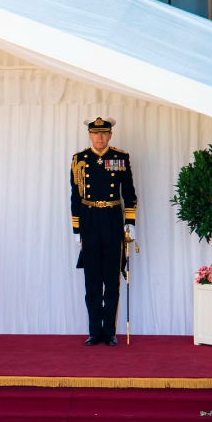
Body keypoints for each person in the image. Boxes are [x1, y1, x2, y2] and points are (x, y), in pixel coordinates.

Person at [70, 116, 137, 346]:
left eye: (104, 133)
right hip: (89, 219)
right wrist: (77, 229)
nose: (99, 137)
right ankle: (93, 332)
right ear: (89, 135)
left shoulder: (119, 158)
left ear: (110, 135)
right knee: (92, 278)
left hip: (111, 219)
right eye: (95, 133)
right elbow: (75, 196)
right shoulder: (80, 160)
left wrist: (130, 223)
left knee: (111, 277)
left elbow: (128, 192)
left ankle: (109, 331)